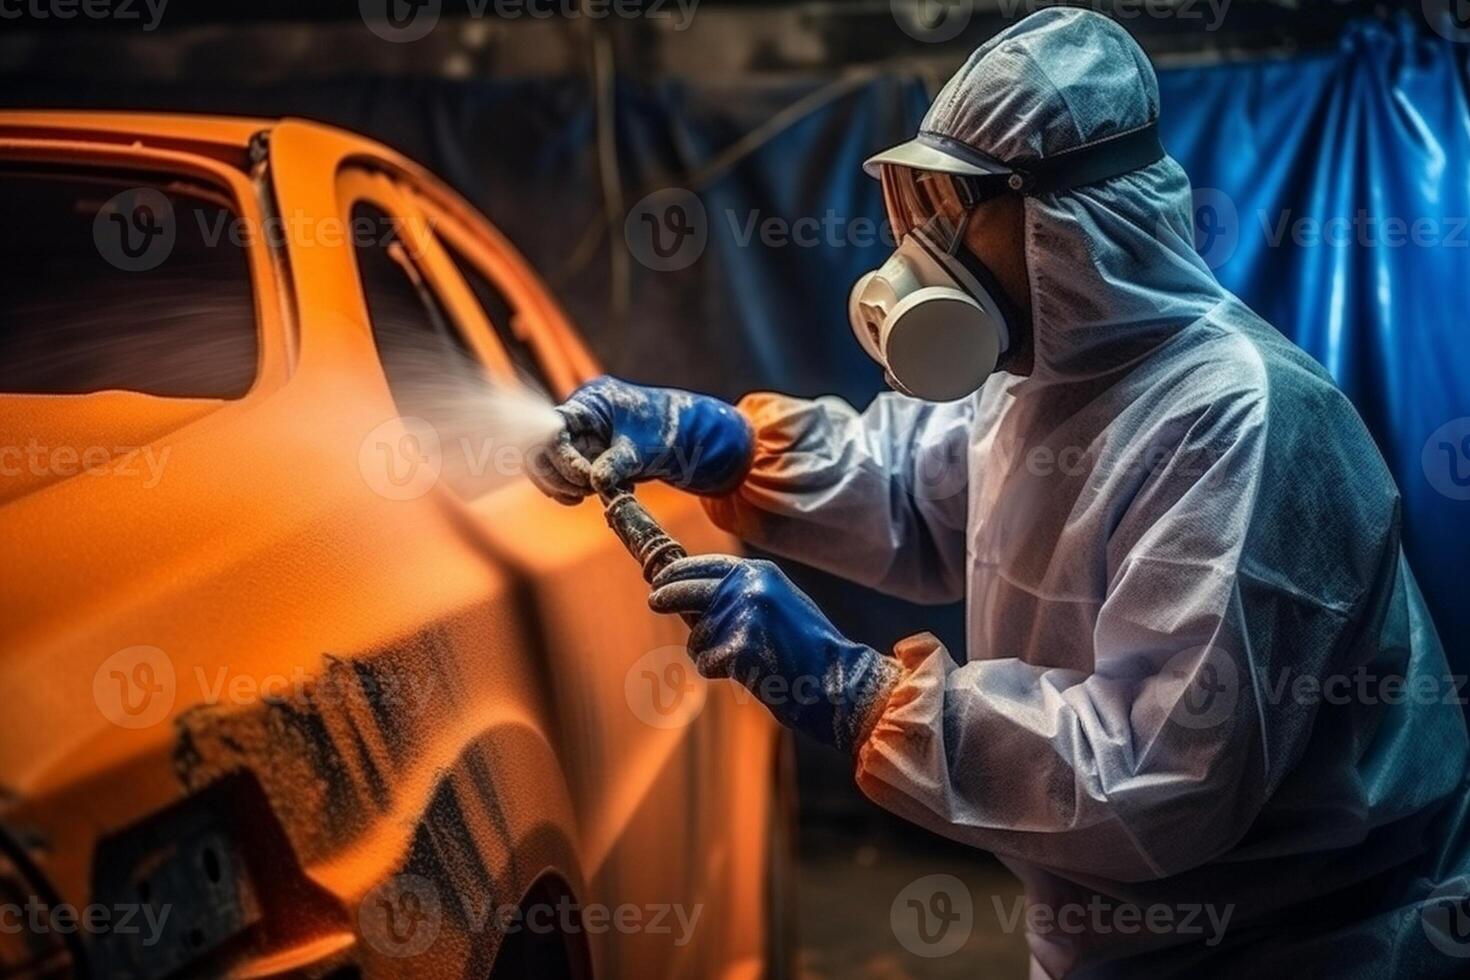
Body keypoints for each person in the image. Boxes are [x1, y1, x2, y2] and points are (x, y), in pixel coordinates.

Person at [531, 9, 1470, 976]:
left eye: (954, 207)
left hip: (1310, 943)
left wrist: (855, 693)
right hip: (1118, 934)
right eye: (918, 201)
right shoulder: (1036, 378)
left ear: (1068, 218)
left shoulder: (1241, 420)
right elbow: (907, 488)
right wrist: (718, 445)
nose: (921, 246)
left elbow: (1152, 774)